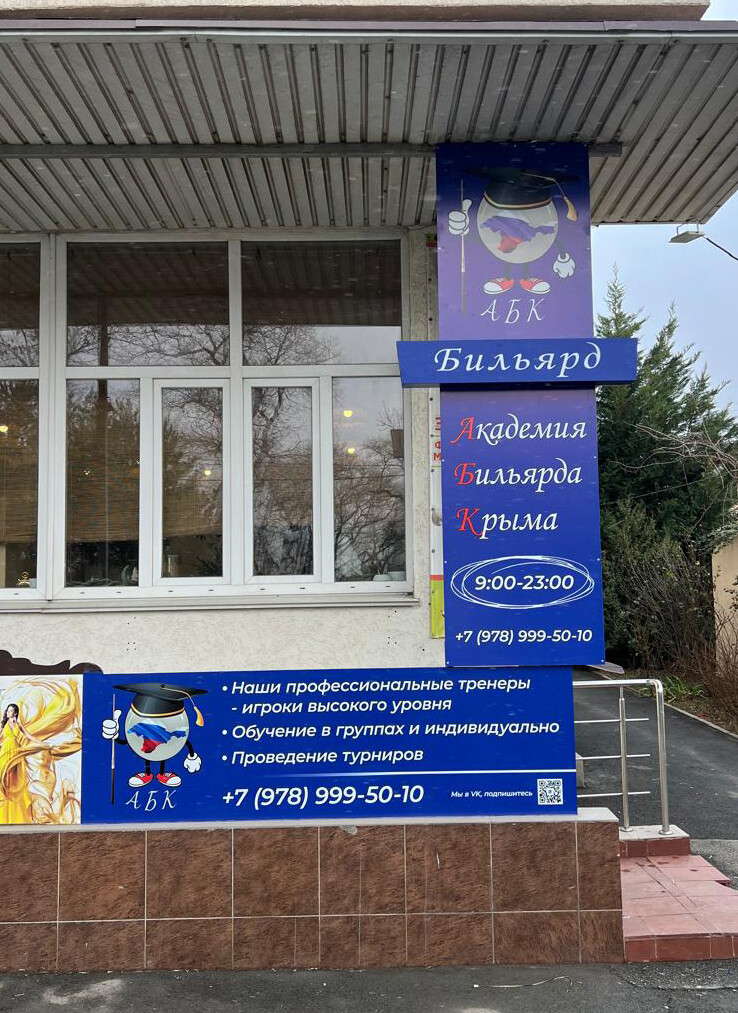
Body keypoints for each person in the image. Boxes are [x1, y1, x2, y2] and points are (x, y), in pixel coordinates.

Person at [0, 702, 47, 824]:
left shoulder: (18, 724)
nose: (8, 712)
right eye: (7, 710)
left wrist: (41, 743)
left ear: (15, 713)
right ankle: (4, 811)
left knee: (15, 780)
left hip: (16, 753)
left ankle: (15, 812)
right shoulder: (3, 724)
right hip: (5, 753)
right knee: (5, 779)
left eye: (11, 711)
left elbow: (29, 736)